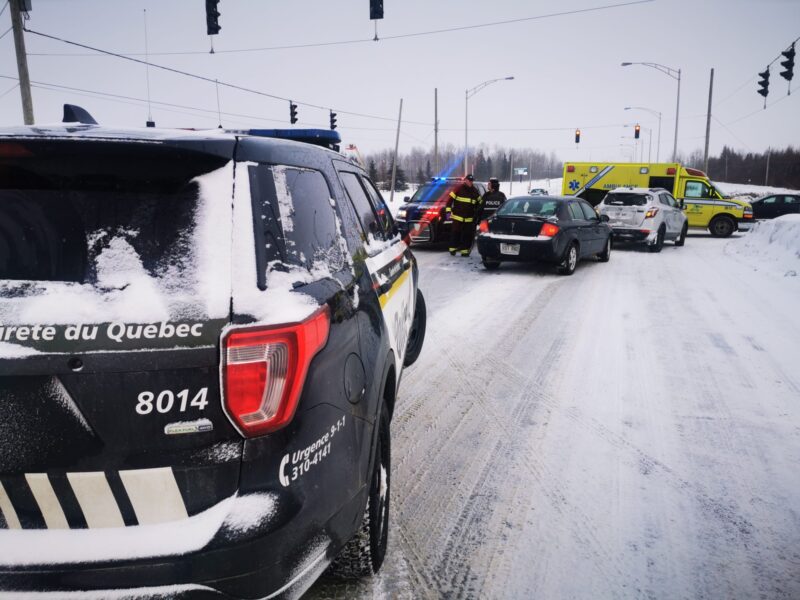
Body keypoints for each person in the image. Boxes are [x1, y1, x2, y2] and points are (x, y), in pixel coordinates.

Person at [447, 174, 482, 256]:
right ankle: (452, 249)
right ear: (465, 180)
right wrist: (448, 215)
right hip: (457, 218)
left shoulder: (475, 191)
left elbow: (480, 203)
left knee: (467, 236)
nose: (470, 182)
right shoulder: (458, 189)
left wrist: (477, 214)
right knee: (455, 234)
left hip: (469, 219)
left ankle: (464, 252)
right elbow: (449, 202)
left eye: (471, 181)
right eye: (469, 180)